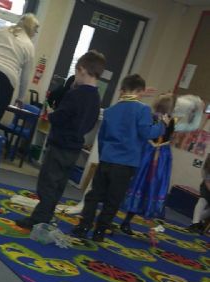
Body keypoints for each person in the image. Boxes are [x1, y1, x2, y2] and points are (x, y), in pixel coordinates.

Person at [16, 50, 106, 230]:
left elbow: (61, 116)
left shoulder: (75, 94)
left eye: (76, 72)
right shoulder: (96, 98)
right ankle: (46, 215)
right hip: (74, 147)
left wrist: (52, 115)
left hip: (60, 144)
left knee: (47, 183)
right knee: (59, 184)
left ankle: (39, 219)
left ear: (82, 70)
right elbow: (90, 123)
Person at [72, 74, 168, 242]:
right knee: (113, 200)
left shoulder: (111, 110)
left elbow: (102, 138)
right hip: (126, 163)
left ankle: (83, 226)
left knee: (94, 195)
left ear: (123, 89)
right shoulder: (143, 109)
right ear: (141, 91)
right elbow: (147, 133)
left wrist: (104, 156)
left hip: (107, 159)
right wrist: (162, 125)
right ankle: (99, 231)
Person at [119, 93, 175, 235]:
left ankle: (131, 219)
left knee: (146, 185)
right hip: (152, 155)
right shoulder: (155, 118)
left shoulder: (164, 119)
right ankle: (127, 220)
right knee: (142, 183)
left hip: (155, 155)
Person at [0, 13, 39, 130]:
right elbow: (25, 76)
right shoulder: (29, 45)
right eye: (35, 31)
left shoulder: (2, 30)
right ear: (31, 29)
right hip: (6, 80)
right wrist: (20, 98)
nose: (35, 34)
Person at [188, 153, 210, 234]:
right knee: (202, 201)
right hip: (207, 187)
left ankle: (196, 222)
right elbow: (207, 182)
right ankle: (195, 224)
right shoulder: (208, 164)